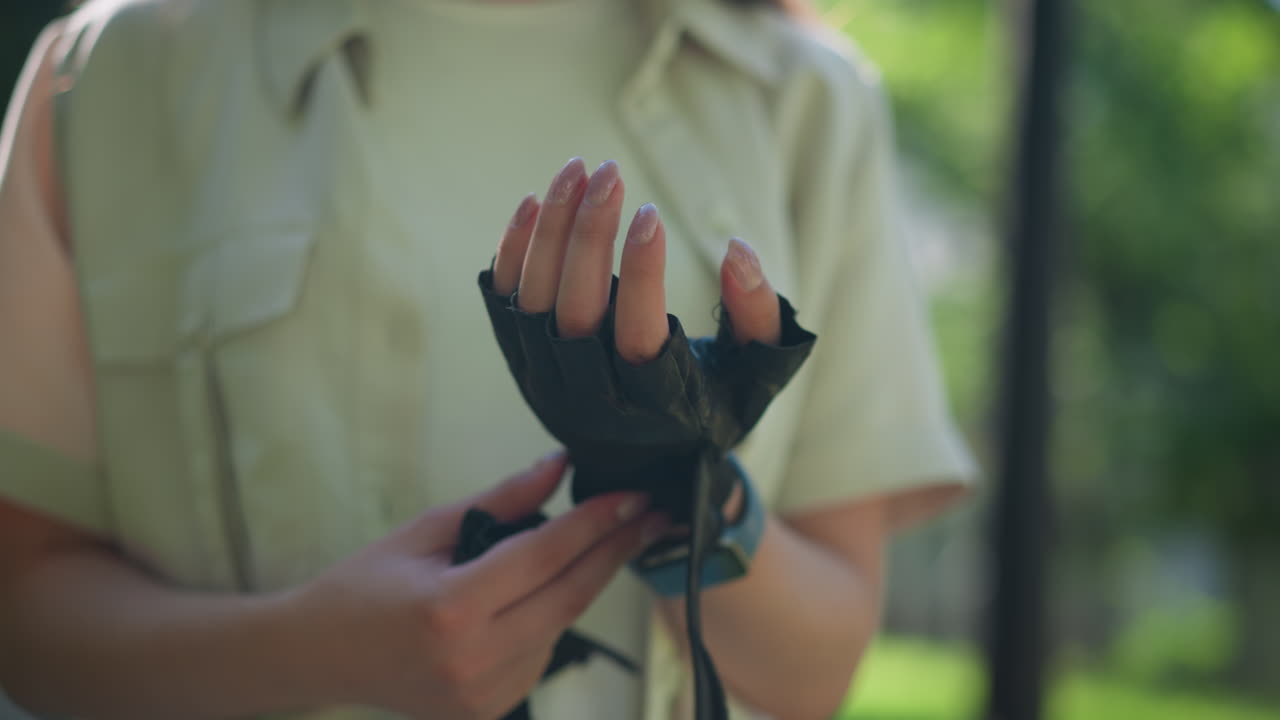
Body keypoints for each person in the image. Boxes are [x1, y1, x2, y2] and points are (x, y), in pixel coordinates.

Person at [0, 0, 976, 718]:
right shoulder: (113, 77)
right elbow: (22, 615)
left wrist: (676, 490)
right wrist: (316, 653)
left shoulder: (803, 98)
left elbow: (817, 670)